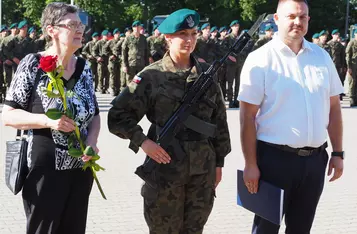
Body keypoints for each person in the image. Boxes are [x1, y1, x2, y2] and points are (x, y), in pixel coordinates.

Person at [108, 8, 231, 233]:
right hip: (165, 170)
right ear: (168, 37)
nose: (189, 39)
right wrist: (143, 142)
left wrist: (219, 162)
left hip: (202, 172)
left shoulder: (207, 74)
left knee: (195, 230)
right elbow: (117, 116)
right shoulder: (151, 76)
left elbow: (219, 121)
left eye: (193, 33)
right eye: (182, 34)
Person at [238, 0, 344, 233]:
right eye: (291, 16)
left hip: (315, 161)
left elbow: (334, 108)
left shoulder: (321, 57)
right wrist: (250, 164)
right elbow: (247, 117)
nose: (298, 22)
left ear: (308, 20)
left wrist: (337, 152)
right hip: (273, 161)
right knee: (266, 228)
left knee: (301, 229)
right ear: (276, 19)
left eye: (303, 17)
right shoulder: (260, 59)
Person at [1, 3, 100, 233]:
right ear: (51, 29)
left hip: (80, 169)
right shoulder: (33, 64)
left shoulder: (84, 67)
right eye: (72, 24)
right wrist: (48, 121)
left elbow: (94, 114)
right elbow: (8, 115)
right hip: (44, 170)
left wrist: (92, 142)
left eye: (81, 24)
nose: (80, 29)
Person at [327, 29, 346, 99]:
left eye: (338, 35)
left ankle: (339, 94)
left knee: (339, 80)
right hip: (330, 65)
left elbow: (343, 57)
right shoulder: (328, 44)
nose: (337, 36)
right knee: (330, 80)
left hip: (338, 65)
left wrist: (343, 66)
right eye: (335, 34)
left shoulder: (340, 46)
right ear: (332, 35)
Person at [346, 31, 357, 106]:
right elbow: (348, 56)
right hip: (353, 65)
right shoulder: (351, 43)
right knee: (352, 82)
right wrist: (349, 67)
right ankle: (352, 99)